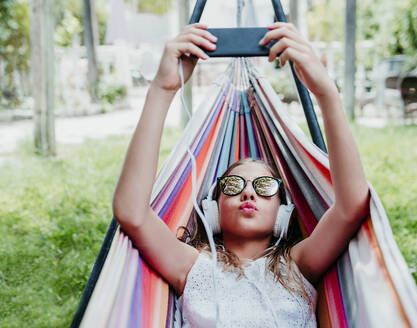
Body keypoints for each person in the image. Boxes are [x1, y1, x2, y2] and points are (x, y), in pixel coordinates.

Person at [112, 22, 370, 327]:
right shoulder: (191, 266)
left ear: (283, 211)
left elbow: (352, 205)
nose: (249, 193)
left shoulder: (299, 265)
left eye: (264, 186)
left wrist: (326, 92)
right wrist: (162, 89)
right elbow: (132, 213)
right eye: (233, 185)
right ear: (213, 208)